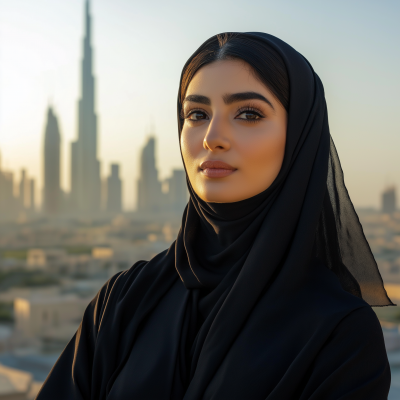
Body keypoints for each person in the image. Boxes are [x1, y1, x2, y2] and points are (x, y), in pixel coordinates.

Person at [37, 32, 393, 400]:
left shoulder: (341, 336)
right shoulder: (124, 300)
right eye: (197, 114)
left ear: (300, 136)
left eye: (249, 114)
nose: (212, 137)